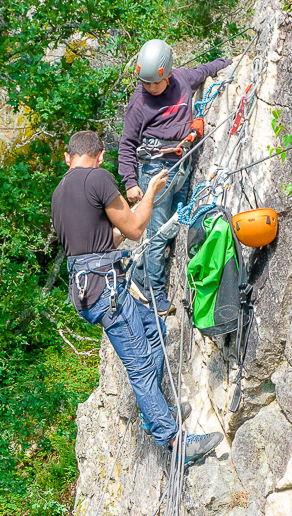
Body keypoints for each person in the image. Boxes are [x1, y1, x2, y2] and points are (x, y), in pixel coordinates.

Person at [50, 129, 222, 463]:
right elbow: (134, 229)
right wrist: (153, 191)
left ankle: (155, 410)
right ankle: (174, 443)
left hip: (89, 287)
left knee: (154, 333)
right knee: (140, 367)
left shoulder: (59, 192)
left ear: (68, 157)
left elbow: (98, 242)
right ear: (100, 156)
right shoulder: (98, 178)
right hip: (105, 292)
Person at [119, 39, 231, 314]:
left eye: (154, 83)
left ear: (167, 74)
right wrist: (131, 182)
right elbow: (126, 144)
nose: (149, 88)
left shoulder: (182, 80)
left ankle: (139, 276)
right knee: (157, 233)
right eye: (144, 82)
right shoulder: (139, 103)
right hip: (155, 171)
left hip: (182, 163)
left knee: (171, 227)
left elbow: (205, 70)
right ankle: (153, 293)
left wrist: (227, 64)